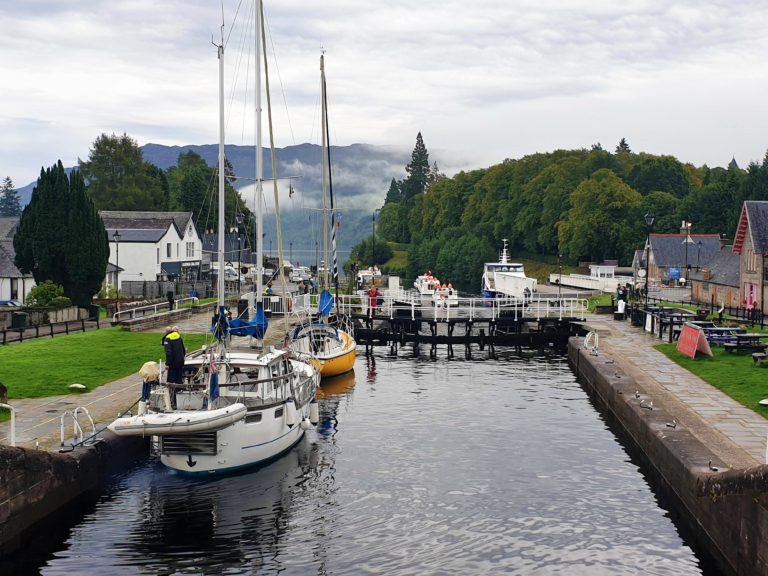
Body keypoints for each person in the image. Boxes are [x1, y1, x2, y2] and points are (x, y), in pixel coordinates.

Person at [162, 326, 186, 407]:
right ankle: (180, 399)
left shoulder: (167, 339)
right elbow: (183, 350)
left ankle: (171, 401)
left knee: (171, 382)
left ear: (166, 333)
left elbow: (169, 353)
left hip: (173, 364)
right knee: (179, 380)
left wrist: (167, 364)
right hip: (180, 362)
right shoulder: (179, 337)